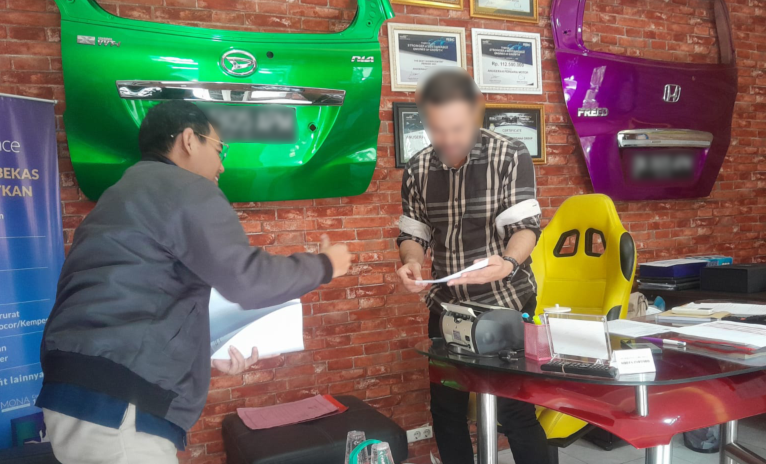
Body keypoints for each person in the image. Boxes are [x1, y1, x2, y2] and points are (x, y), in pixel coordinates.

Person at [36, 100, 352, 464]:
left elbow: (142, 295)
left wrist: (205, 354)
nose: (222, 164)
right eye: (219, 149)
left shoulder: (122, 193)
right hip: (120, 407)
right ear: (189, 140)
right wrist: (325, 265)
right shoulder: (184, 187)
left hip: (76, 394)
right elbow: (248, 279)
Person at [395, 69, 549, 464]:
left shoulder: (509, 154)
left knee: (514, 411)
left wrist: (508, 262)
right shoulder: (418, 168)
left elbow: (524, 227)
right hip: (447, 306)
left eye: (457, 129)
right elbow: (414, 232)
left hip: (505, 299)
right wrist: (411, 262)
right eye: (436, 130)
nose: (447, 140)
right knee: (447, 409)